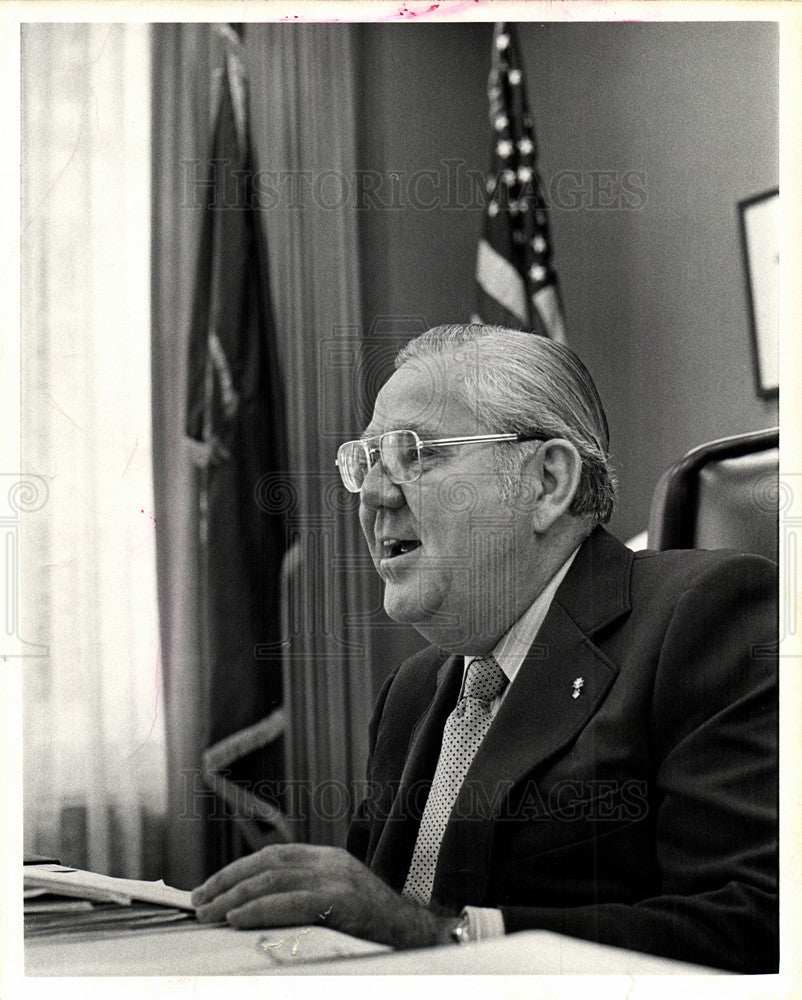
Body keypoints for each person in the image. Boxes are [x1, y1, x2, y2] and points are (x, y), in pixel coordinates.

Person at [192, 324, 778, 973]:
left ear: (547, 482)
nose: (375, 493)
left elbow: (752, 926)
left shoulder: (703, 615)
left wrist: (447, 936)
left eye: (415, 453)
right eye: (367, 461)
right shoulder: (413, 692)